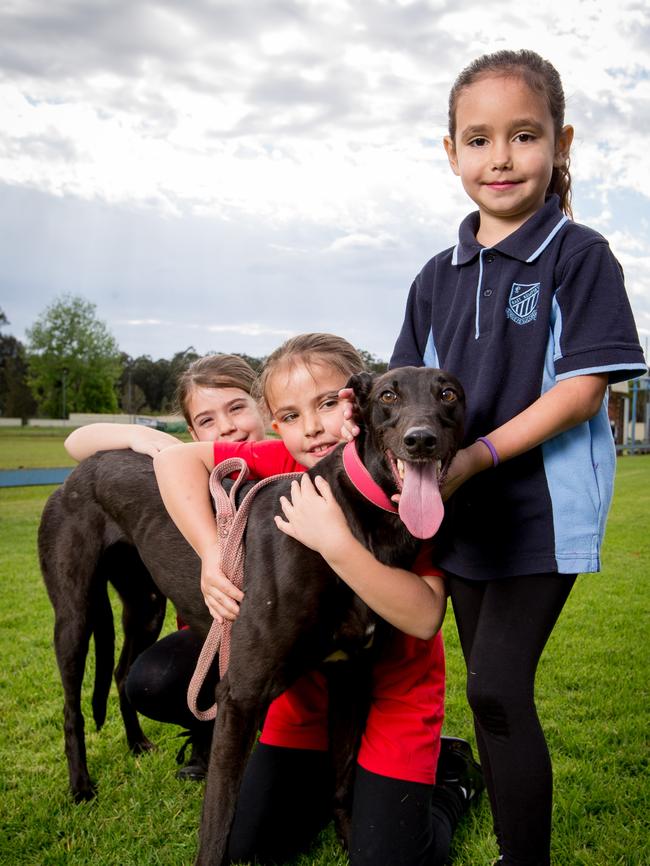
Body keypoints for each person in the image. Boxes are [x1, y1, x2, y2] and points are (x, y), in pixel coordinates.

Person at [388, 49, 647, 866]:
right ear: (451, 152)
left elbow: (583, 388)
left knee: (496, 687)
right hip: (456, 508)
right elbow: (402, 395)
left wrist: (484, 453)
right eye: (478, 139)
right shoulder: (435, 276)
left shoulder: (580, 255)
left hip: (541, 508)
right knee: (489, 692)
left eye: (524, 136)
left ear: (560, 144)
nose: (500, 157)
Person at [153, 332, 483, 866]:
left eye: (328, 404)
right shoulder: (282, 457)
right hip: (307, 699)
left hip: (396, 695)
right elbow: (172, 461)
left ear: (355, 404)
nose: (312, 427)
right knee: (252, 845)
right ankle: (332, 792)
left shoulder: (419, 495)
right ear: (275, 423)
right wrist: (213, 553)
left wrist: (334, 540)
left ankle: (451, 781)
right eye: (289, 415)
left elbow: (424, 618)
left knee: (386, 858)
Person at [64, 354, 267, 780]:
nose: (227, 427)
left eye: (237, 407)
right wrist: (141, 436)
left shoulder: (291, 455)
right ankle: (203, 732)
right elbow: (76, 442)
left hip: (261, 639)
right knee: (141, 670)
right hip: (210, 636)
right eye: (207, 420)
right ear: (193, 433)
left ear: (263, 406)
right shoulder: (191, 463)